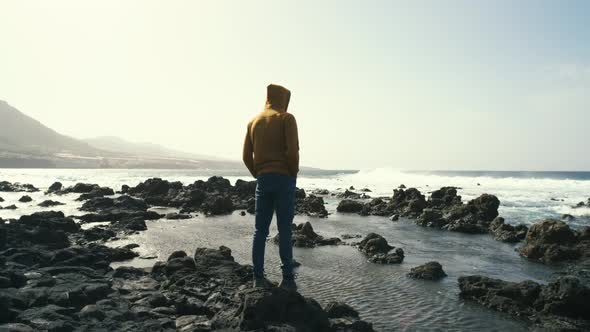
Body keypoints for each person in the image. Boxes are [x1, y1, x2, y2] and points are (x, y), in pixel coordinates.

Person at [242, 83, 299, 291]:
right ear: (283, 98)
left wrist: (258, 173)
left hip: (263, 180)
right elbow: (292, 152)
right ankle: (288, 280)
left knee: (260, 230)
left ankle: (258, 278)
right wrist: (293, 173)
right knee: (284, 229)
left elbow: (246, 156)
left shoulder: (253, 121)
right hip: (284, 179)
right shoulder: (286, 118)